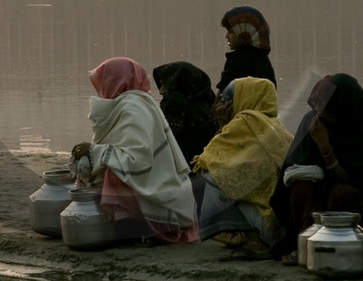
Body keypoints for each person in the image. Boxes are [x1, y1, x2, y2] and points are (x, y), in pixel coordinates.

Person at [70, 58, 198, 243]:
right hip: (156, 178)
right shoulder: (126, 104)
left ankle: (140, 227)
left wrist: (94, 151)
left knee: (114, 172)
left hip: (158, 184)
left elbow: (136, 160)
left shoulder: (133, 107)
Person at [268, 72, 363, 260]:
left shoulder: (360, 128)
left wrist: (325, 147)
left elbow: (351, 177)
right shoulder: (311, 121)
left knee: (342, 193)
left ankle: (335, 244)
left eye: (327, 112)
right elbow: (292, 169)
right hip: (314, 194)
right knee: (300, 188)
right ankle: (306, 243)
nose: (321, 116)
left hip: (348, 192)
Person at [192, 76, 291, 246]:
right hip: (288, 225)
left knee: (211, 178)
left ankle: (249, 236)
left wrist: (223, 125)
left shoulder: (244, 122)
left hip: (269, 226)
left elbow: (206, 161)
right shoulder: (277, 126)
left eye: (229, 100)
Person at [152, 60, 217, 165]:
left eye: (165, 84)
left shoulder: (174, 106)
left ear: (178, 83)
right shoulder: (210, 106)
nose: (161, 91)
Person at [217, 5, 276, 93]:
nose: (227, 36)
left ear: (243, 32)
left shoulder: (236, 61)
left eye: (231, 32)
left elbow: (224, 91)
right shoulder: (263, 59)